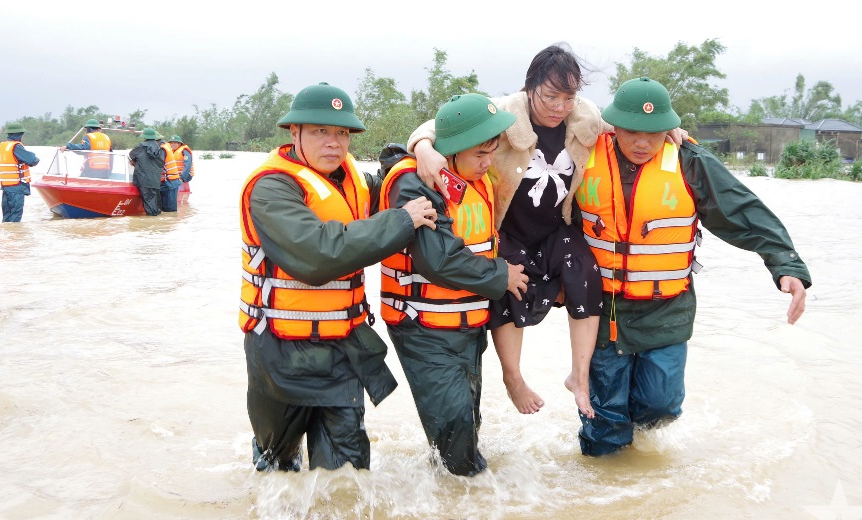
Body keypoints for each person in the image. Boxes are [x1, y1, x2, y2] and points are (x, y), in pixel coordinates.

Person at [409, 44, 686, 418]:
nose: (559, 107)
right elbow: (437, 125)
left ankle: (579, 376)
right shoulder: (504, 112)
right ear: (530, 88)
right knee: (510, 280)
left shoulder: (585, 115)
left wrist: (667, 126)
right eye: (550, 96)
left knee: (587, 271)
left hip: (555, 227)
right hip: (508, 228)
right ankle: (513, 377)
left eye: (568, 98)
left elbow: (628, 123)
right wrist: (423, 146)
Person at [576, 77, 811, 456]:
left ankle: (638, 457)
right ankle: (607, 477)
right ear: (614, 126)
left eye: (653, 133)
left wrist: (786, 265)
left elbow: (744, 211)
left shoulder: (690, 161)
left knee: (660, 405)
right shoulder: (583, 154)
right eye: (632, 132)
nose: (642, 143)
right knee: (604, 421)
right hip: (602, 312)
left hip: (666, 311)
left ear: (668, 128)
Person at [239, 82, 438, 472]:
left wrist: (416, 152)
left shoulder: (355, 180)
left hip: (342, 350)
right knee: (276, 467)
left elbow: (391, 184)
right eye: (320, 131)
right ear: (294, 133)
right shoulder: (271, 187)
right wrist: (402, 220)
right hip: (281, 354)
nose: (334, 142)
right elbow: (316, 256)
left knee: (346, 476)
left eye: (342, 133)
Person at [379, 94, 529, 476]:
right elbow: (438, 260)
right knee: (458, 442)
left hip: (466, 328)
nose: (488, 162)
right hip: (424, 328)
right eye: (480, 153)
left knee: (465, 429)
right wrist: (502, 275)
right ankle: (472, 501)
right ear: (452, 150)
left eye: (492, 151)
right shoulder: (415, 184)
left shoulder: (476, 179)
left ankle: (452, 501)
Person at [0, 124, 40, 222]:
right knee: (15, 218)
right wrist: (33, 155)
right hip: (16, 188)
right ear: (19, 134)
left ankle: (6, 232)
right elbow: (32, 160)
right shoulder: (16, 146)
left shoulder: (3, 146)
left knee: (7, 218)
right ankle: (14, 232)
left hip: (6, 188)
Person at [128, 128, 165, 216]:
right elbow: (161, 163)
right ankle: (158, 221)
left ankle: (151, 222)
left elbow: (131, 155)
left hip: (144, 179)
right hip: (156, 180)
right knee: (156, 204)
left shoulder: (141, 147)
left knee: (149, 205)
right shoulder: (160, 148)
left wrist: (135, 162)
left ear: (144, 137)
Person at [158, 137, 181, 212]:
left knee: (168, 210)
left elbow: (158, 164)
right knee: (171, 212)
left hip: (168, 182)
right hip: (172, 181)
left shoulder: (162, 150)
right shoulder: (167, 148)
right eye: (172, 142)